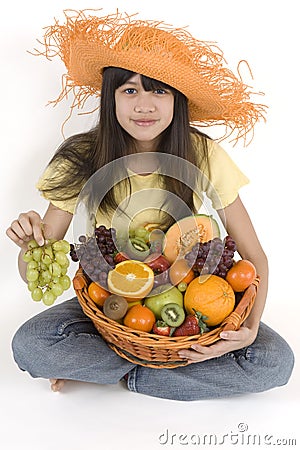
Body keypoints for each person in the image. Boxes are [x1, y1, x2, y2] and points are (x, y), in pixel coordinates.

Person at [6, 9, 294, 400]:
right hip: (111, 302)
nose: (145, 105)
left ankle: (123, 375)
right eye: (130, 90)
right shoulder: (80, 156)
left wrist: (251, 328)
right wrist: (32, 248)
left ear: (178, 100)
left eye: (159, 90)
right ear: (111, 98)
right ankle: (166, 370)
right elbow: (32, 275)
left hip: (191, 304)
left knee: (274, 361)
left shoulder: (202, 154)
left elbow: (255, 255)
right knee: (31, 343)